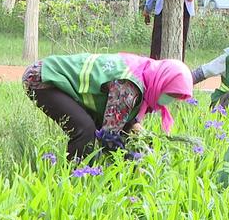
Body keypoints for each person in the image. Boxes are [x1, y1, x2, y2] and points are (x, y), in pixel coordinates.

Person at [22, 53, 194, 160]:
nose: (169, 100)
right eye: (170, 95)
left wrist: (147, 145)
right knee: (85, 130)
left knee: (99, 127)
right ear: (162, 83)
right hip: (42, 78)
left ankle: (86, 174)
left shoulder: (146, 72)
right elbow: (109, 137)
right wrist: (134, 160)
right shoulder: (129, 87)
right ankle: (78, 180)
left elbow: (123, 121)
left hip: (52, 76)